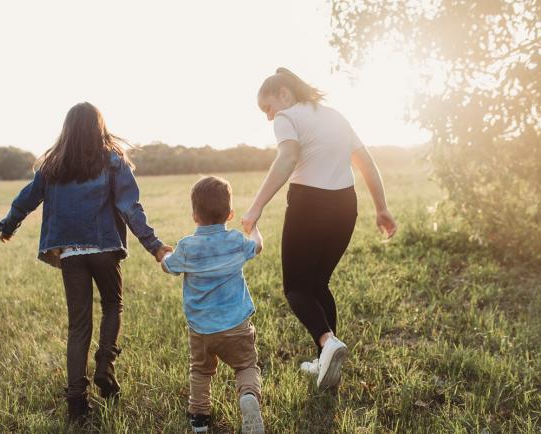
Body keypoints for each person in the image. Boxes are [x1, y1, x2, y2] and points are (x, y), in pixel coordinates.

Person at [0, 102, 171, 422]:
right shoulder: (113, 161)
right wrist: (156, 247)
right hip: (104, 249)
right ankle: (105, 365)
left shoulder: (53, 166)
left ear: (67, 130)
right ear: (99, 128)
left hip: (72, 255)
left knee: (78, 326)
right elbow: (130, 208)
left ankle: (76, 400)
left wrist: (8, 225)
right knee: (112, 306)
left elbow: (26, 199)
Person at [241, 68, 397, 391]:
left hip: (308, 205)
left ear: (284, 93)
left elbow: (287, 158)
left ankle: (327, 343)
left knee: (295, 288)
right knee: (317, 284)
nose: (270, 117)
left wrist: (256, 207)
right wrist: (381, 208)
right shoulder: (336, 116)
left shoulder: (288, 116)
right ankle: (326, 363)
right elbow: (366, 162)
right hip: (345, 208)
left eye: (267, 107)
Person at [161, 176, 265, 434]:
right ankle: (248, 396)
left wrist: (164, 254)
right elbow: (258, 246)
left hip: (201, 328)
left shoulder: (186, 246)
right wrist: (252, 227)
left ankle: (199, 419)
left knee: (200, 371)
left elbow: (168, 266)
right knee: (245, 366)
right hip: (236, 325)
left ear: (195, 215)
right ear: (229, 215)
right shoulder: (236, 241)